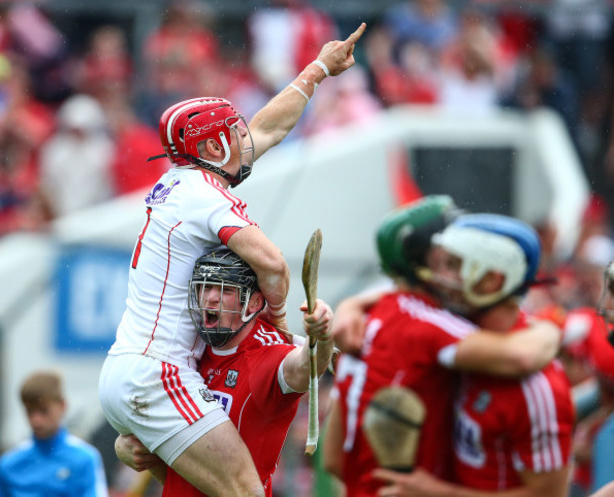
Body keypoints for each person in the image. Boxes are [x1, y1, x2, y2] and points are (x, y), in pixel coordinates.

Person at [97, 23, 365, 497]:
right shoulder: (203, 193)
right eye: (232, 134)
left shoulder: (182, 181)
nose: (245, 139)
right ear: (210, 149)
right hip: (158, 373)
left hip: (129, 370)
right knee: (245, 490)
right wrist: (281, 321)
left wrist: (319, 69)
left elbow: (268, 128)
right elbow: (274, 264)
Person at [323, 196, 563, 496]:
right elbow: (523, 356)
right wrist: (552, 329)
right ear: (425, 261)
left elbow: (333, 461)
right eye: (449, 261)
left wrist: (351, 304)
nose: (455, 275)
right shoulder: (428, 324)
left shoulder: (374, 315)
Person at [113, 247, 334, 496]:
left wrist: (323, 336)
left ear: (254, 302)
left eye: (225, 289)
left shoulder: (267, 357)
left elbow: (306, 366)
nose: (210, 298)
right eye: (205, 287)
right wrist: (126, 444)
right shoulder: (185, 349)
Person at [0, 370, 108, 497]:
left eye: (44, 411)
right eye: (30, 411)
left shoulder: (84, 459)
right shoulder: (8, 464)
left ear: (62, 406)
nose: (36, 420)